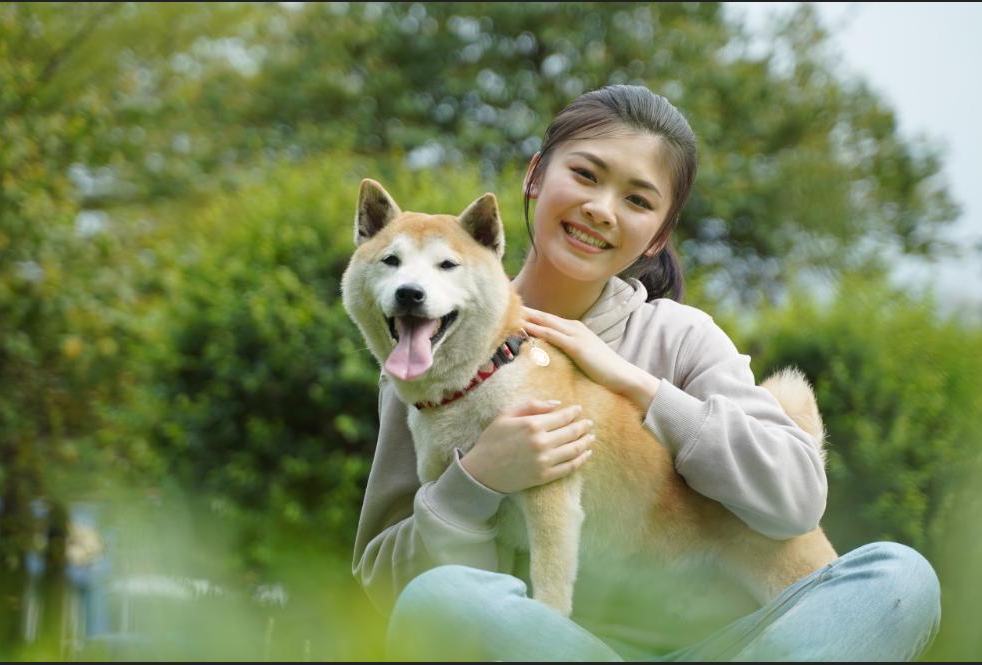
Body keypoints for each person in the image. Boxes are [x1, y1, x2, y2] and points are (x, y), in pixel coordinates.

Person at [352, 84, 941, 661]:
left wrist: (641, 386)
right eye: (585, 175)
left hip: (727, 647)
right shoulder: (424, 359)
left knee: (901, 577)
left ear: (659, 233)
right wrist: (475, 481)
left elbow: (797, 502)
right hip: (547, 646)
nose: (600, 209)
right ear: (535, 176)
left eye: (637, 200)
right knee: (440, 597)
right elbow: (386, 587)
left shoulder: (682, 337)